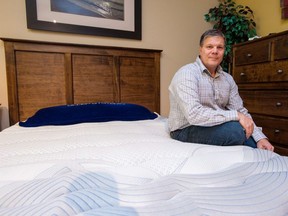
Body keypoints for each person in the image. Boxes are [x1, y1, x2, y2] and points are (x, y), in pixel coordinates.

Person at [168, 29, 274, 151]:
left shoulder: (228, 79)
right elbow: (194, 115)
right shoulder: (186, 74)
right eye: (209, 47)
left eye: (220, 47)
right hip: (185, 128)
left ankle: (260, 157)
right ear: (200, 49)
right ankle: (253, 152)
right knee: (236, 131)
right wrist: (236, 116)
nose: (215, 51)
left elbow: (240, 110)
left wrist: (260, 138)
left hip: (216, 125)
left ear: (224, 51)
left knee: (246, 132)